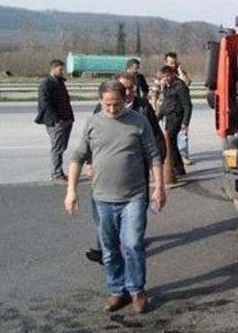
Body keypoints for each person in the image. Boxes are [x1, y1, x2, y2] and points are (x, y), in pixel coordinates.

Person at [64, 80, 165, 314]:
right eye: (107, 104)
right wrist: (71, 191)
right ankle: (117, 290)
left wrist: (159, 187)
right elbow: (78, 157)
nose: (111, 109)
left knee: (132, 244)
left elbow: (154, 156)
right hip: (102, 198)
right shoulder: (92, 123)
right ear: (100, 100)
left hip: (134, 197)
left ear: (125, 99)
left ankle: (137, 290)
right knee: (109, 249)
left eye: (116, 104)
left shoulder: (138, 121)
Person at [85, 72, 167, 265]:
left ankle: (134, 241)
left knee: (137, 213)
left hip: (138, 169)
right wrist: (90, 162)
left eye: (132, 88)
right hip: (107, 177)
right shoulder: (102, 107)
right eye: (125, 88)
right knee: (103, 215)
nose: (129, 92)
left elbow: (156, 135)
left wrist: (158, 163)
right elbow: (92, 140)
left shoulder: (143, 107)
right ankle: (103, 249)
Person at [34, 59, 75, 183]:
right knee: (57, 148)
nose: (63, 71)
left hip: (66, 119)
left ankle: (60, 173)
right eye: (60, 69)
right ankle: (56, 175)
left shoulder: (60, 82)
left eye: (63, 69)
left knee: (62, 147)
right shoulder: (46, 83)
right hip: (56, 122)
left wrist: (70, 118)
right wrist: (55, 119)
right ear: (53, 69)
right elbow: (45, 103)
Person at [157, 65, 192, 177]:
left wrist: (185, 122)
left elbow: (187, 106)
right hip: (169, 117)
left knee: (170, 142)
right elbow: (165, 104)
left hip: (177, 117)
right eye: (164, 76)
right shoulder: (167, 87)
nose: (166, 78)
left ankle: (178, 167)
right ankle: (178, 167)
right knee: (170, 143)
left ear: (172, 74)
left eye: (167, 76)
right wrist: (157, 117)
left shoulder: (180, 86)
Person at [164, 52, 193, 165]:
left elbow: (187, 82)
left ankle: (183, 155)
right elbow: (156, 90)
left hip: (182, 109)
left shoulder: (180, 73)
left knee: (182, 134)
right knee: (169, 136)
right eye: (171, 62)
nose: (173, 65)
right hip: (169, 109)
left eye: (175, 62)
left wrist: (180, 71)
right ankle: (172, 158)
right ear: (166, 62)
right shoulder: (163, 74)